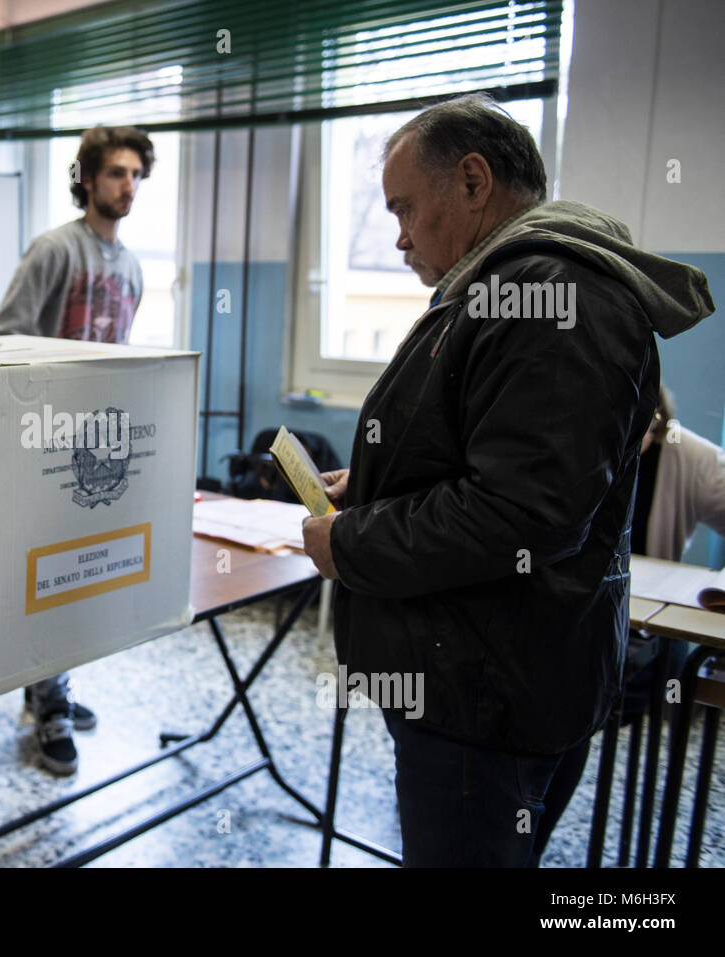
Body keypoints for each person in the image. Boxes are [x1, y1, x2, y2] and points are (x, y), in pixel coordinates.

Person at [300, 93, 714, 867]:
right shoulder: (509, 287)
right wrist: (381, 480)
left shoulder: (553, 296)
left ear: (473, 181)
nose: (398, 238)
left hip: (485, 697)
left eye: (405, 209)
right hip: (487, 677)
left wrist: (352, 541)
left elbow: (521, 514)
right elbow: (491, 457)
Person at [0, 124, 154, 773]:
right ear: (87, 178)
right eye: (116, 172)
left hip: (98, 444)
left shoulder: (134, 266)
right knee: (45, 575)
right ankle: (49, 700)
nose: (128, 185)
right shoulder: (55, 249)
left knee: (80, 576)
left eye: (136, 174)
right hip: (43, 439)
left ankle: (49, 681)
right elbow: (4, 336)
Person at [532, 383, 725, 857]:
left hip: (628, 638)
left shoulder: (685, 455)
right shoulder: (547, 449)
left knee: (565, 702)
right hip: (549, 628)